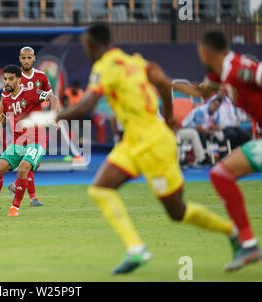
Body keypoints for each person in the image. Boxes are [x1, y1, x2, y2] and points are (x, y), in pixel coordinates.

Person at [24, 24, 237, 274]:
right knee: (101, 189)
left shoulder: (104, 67)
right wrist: (168, 115)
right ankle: (136, 249)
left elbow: (87, 106)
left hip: (153, 143)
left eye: (85, 45)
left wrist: (49, 119)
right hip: (135, 141)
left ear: (92, 45)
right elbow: (161, 81)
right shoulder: (135, 61)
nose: (86, 49)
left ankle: (233, 232)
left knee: (177, 211)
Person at [173, 30, 262, 271]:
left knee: (221, 174)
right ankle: (249, 244)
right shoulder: (218, 74)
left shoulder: (239, 67)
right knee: (220, 174)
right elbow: (202, 92)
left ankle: (248, 243)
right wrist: (168, 83)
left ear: (205, 51)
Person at [0, 64, 58, 216]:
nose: (7, 82)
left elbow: (53, 98)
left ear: (19, 80)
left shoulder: (32, 93)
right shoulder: (6, 98)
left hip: (37, 140)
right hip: (18, 142)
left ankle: (15, 208)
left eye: (11, 79)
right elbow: (4, 115)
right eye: (5, 79)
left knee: (23, 168)